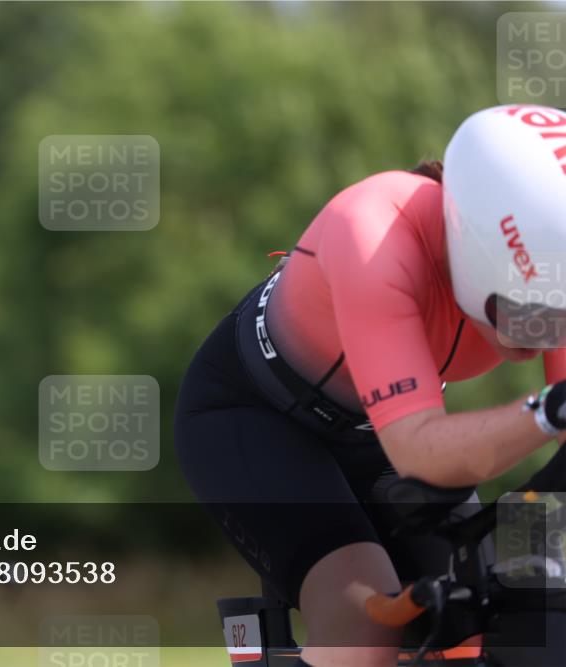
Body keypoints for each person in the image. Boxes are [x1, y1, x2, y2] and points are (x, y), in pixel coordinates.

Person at [175, 104, 566, 667]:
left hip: (378, 434)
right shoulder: (374, 233)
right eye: (532, 312)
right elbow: (422, 454)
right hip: (254, 417)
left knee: (480, 621)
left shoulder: (544, 257)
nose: (545, 336)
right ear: (477, 249)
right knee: (363, 625)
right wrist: (548, 410)